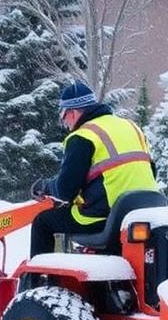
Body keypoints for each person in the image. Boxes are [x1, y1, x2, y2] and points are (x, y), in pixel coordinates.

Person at [29, 80, 158, 257]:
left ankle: (38, 281)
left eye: (63, 116)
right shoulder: (131, 126)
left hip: (107, 217)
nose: (64, 123)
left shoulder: (83, 136)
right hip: (146, 209)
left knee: (42, 222)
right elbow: (151, 170)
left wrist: (45, 187)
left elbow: (66, 190)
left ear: (72, 112)